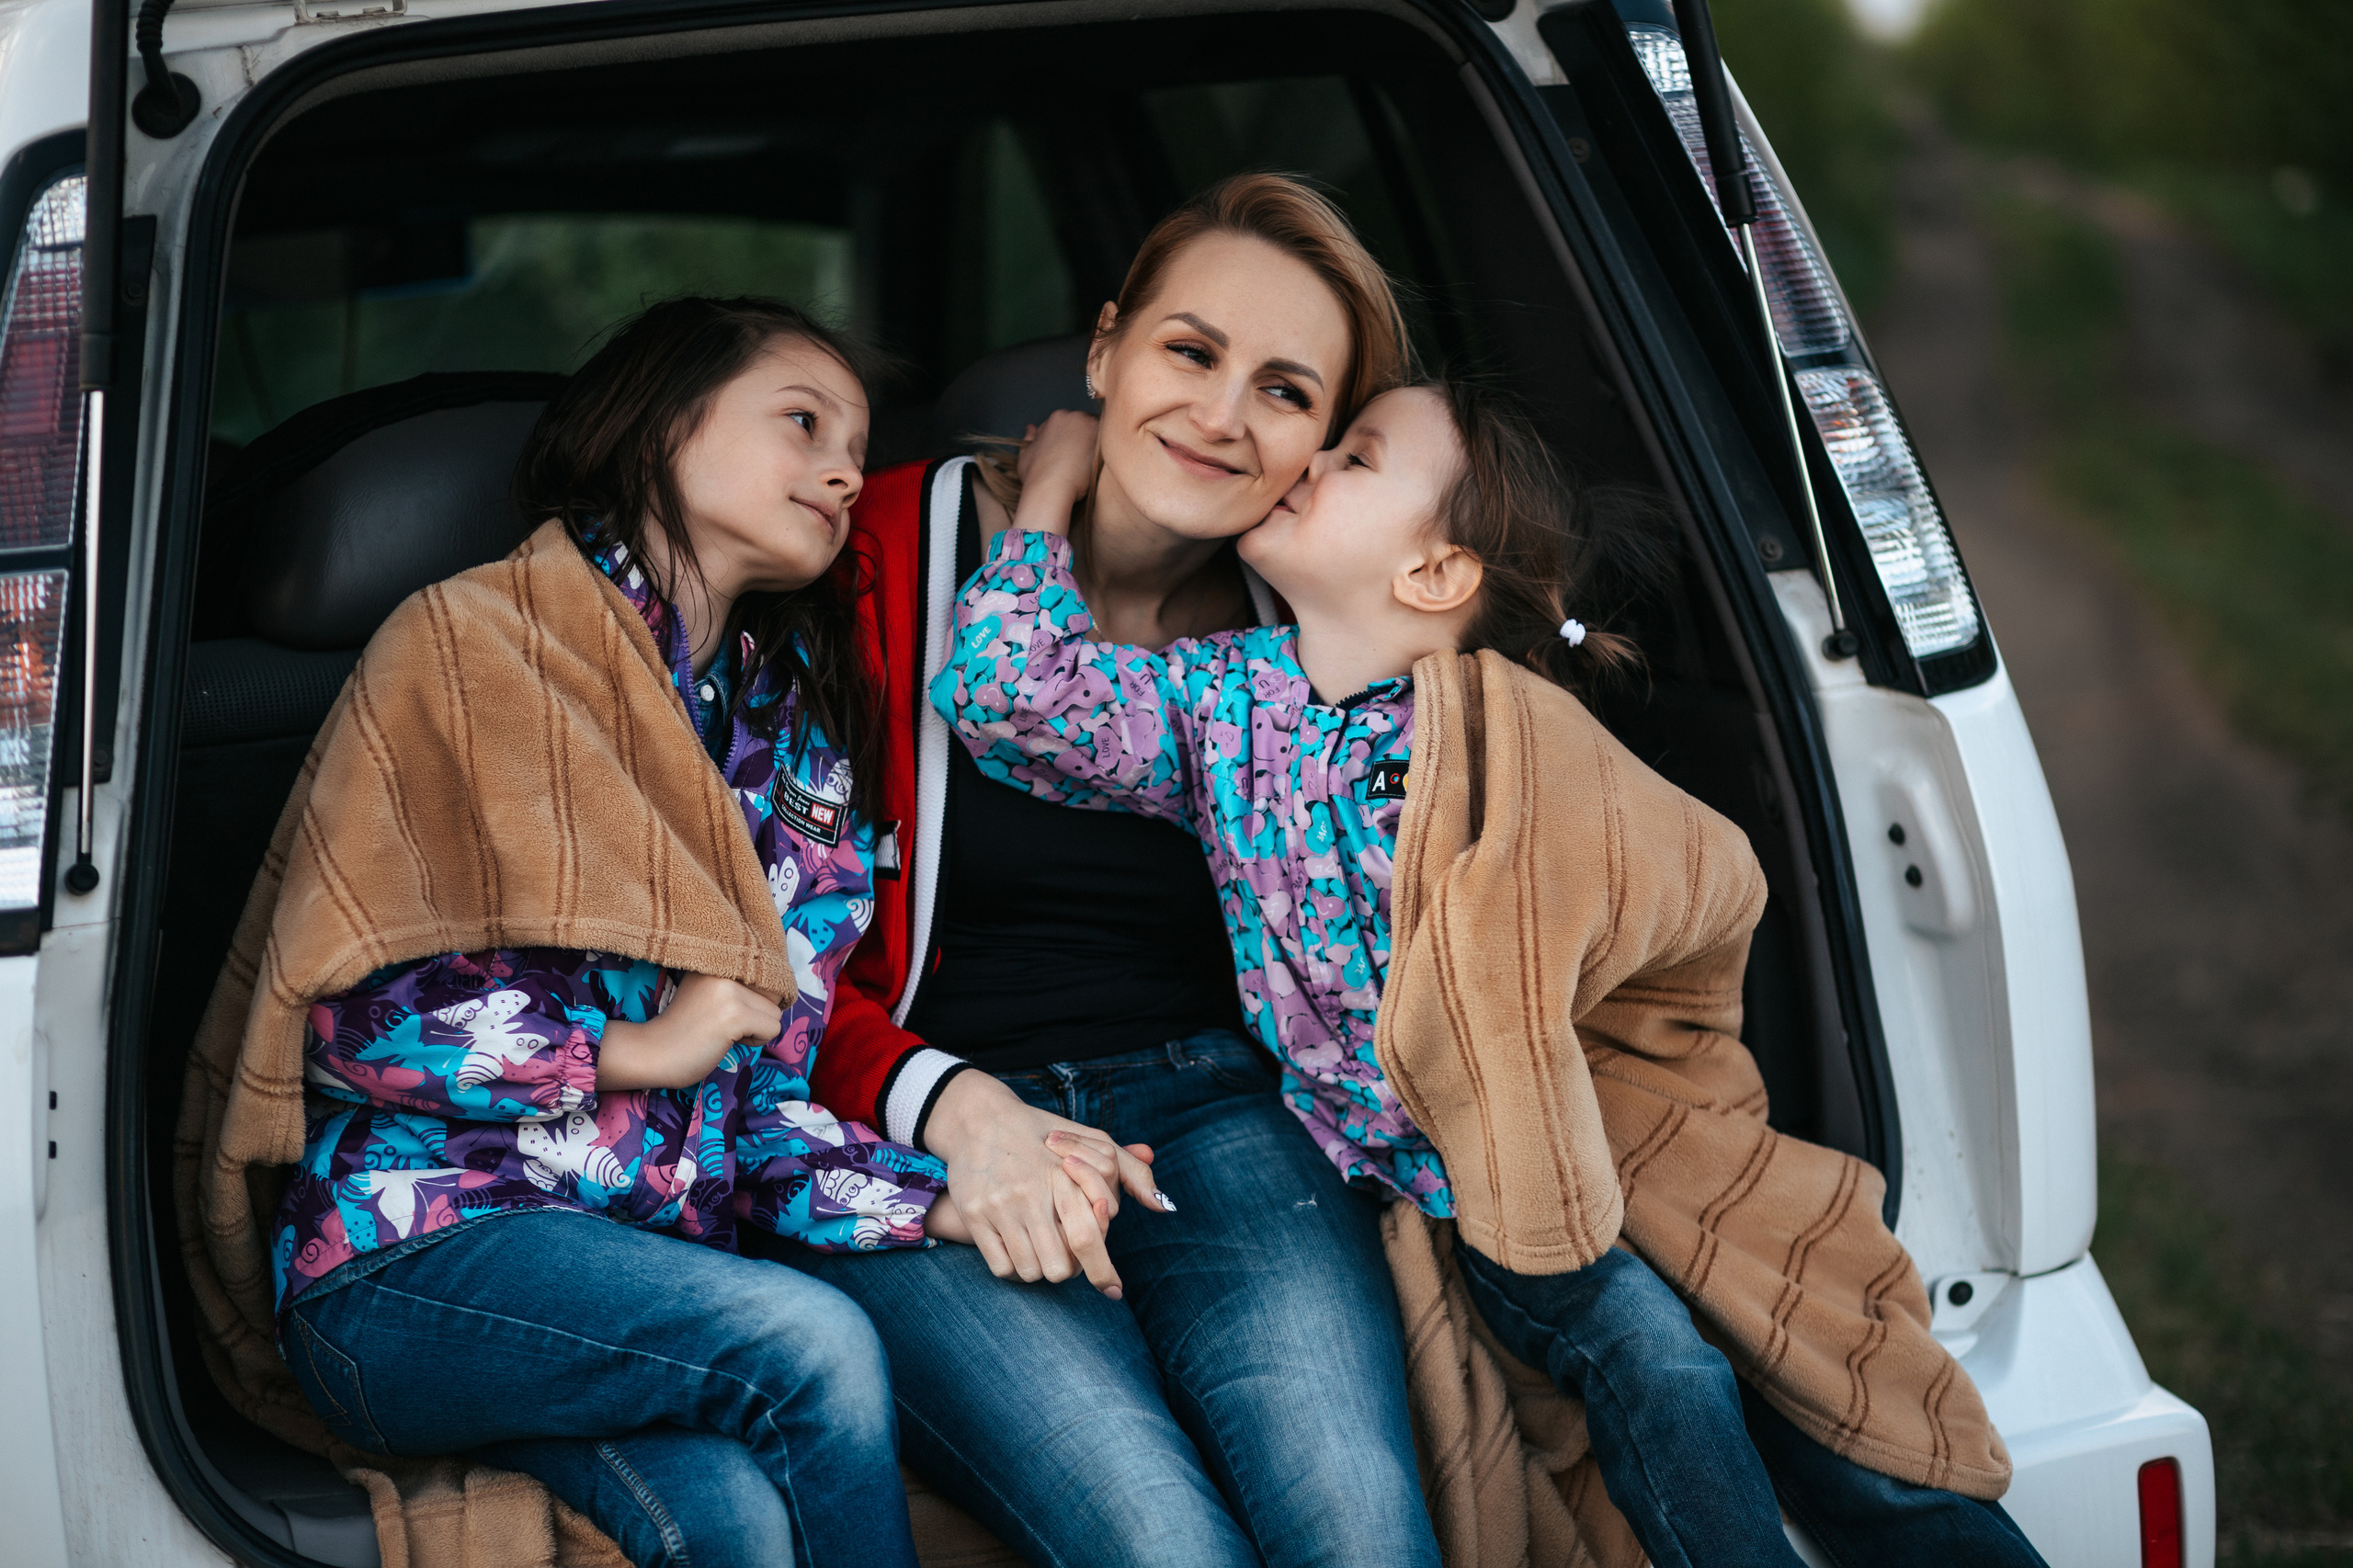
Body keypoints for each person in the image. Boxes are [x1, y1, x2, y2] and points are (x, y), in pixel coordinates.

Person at [933, 378, 2052, 1568]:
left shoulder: (1501, 734)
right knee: (1655, 1359)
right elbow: (1005, 692)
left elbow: (1682, 881)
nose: (1305, 460)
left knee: (1760, 1387)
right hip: (1428, 1191)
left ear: (1433, 576)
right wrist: (1049, 492)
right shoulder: (1223, 704)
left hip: (1545, 1164)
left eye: (1353, 457)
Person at [786, 176, 1444, 1567]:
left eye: (1283, 390)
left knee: (1359, 1528)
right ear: (1104, 351)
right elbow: (751, 954)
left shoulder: (1327, 630)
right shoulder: (864, 560)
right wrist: (956, 1107)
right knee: (1155, 1539)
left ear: (1324, 445)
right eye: (1189, 352)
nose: (1219, 416)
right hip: (921, 1138)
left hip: (1221, 1115)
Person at [266, 297, 975, 1568]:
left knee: (736, 1521)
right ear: (660, 423)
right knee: (811, 1344)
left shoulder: (792, 744)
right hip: (406, 1262)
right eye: (803, 421)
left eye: (858, 447)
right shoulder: (470, 646)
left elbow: (758, 1103)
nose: (844, 470)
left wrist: (936, 1199)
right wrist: (641, 1050)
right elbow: (344, 1022)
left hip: (624, 1282)